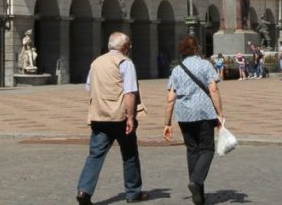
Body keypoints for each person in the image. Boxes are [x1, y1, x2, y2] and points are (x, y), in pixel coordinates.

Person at [76, 32, 148, 204]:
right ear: (124, 47)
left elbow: (89, 87)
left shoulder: (96, 63)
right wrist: (130, 117)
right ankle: (133, 193)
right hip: (119, 117)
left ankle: (84, 191)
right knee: (129, 154)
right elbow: (130, 92)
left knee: (95, 155)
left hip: (98, 115)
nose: (130, 48)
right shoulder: (125, 62)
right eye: (129, 45)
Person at [163, 35, 224, 205]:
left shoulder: (177, 69)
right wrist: (220, 113)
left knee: (192, 150)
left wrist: (167, 123)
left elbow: (170, 98)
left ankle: (198, 194)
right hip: (204, 112)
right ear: (197, 47)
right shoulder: (205, 65)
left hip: (184, 115)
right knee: (207, 149)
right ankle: (196, 182)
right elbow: (214, 89)